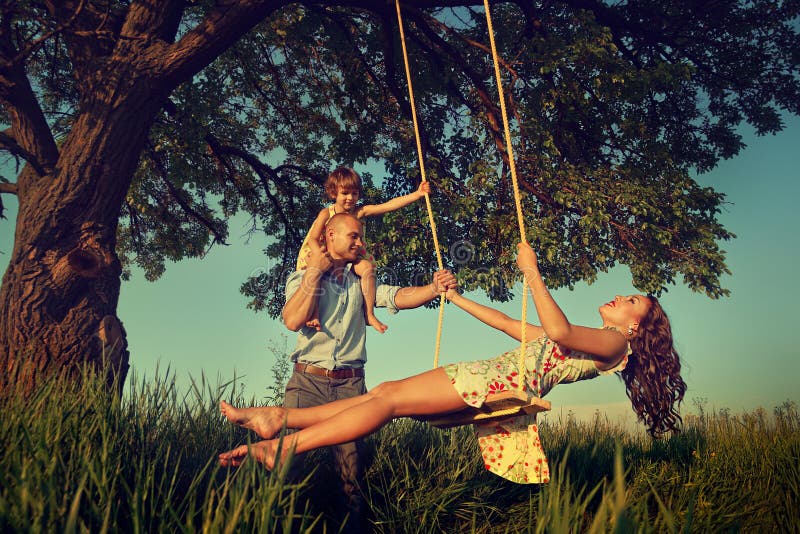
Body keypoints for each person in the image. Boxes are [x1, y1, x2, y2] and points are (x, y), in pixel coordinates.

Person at [221, 241, 686, 486]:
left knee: (387, 400)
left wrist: (533, 274)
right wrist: (456, 298)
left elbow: (560, 331)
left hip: (493, 384)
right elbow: (508, 324)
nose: (620, 297)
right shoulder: (592, 346)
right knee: (384, 396)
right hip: (489, 375)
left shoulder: (612, 346)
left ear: (635, 329)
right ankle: (279, 420)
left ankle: (284, 445)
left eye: (631, 301)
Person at [279, 211, 457, 529]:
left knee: (351, 475)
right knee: (289, 468)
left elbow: (397, 296)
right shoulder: (304, 276)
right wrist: (313, 274)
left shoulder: (363, 283)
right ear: (330, 236)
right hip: (307, 383)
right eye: (355, 237)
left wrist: (432, 289)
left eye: (362, 237)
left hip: (350, 387)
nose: (361, 243)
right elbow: (292, 319)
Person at [297, 166, 431, 333]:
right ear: (333, 193)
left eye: (354, 193)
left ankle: (369, 313)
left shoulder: (359, 212)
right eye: (345, 193)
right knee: (318, 271)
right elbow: (312, 239)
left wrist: (416, 194)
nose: (350, 198)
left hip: (349, 256)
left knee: (367, 268)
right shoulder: (326, 213)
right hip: (323, 252)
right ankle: (314, 312)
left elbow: (387, 206)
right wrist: (318, 256)